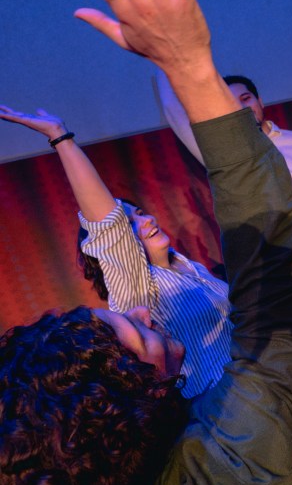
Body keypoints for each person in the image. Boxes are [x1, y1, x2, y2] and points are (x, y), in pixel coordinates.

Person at [0, 0, 292, 485]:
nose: (135, 317)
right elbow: (265, 274)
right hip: (251, 403)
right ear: (130, 397)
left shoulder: (189, 270)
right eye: (126, 332)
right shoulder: (230, 441)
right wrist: (186, 65)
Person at [156, 72, 292, 485]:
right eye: (231, 104)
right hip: (272, 285)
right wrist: (164, 63)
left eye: (246, 97)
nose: (242, 107)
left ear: (261, 101)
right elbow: (177, 117)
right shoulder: (228, 159)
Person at [0, 105, 231, 400]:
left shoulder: (189, 266)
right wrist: (61, 137)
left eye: (141, 213)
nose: (146, 220)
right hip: (224, 412)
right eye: (130, 223)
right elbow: (109, 225)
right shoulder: (136, 292)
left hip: (269, 391)